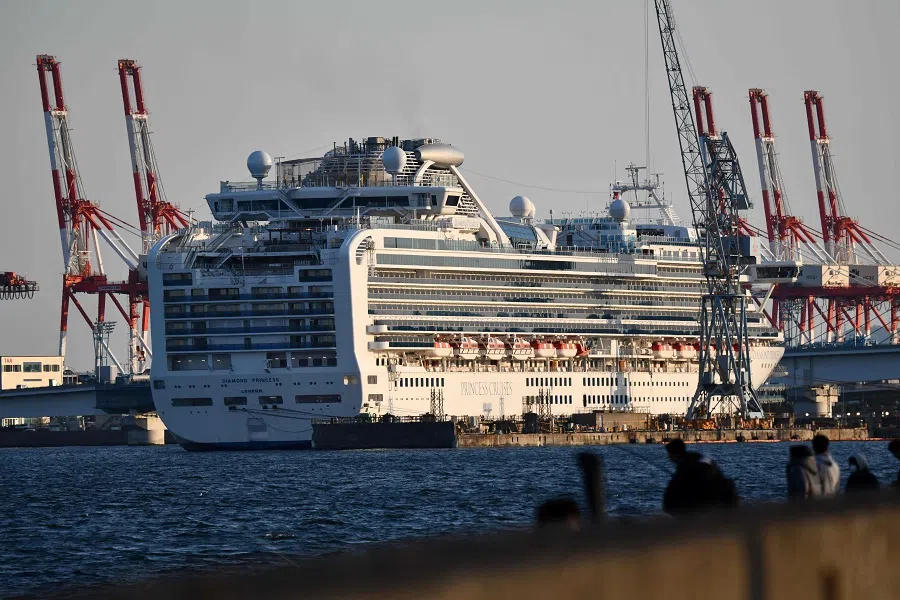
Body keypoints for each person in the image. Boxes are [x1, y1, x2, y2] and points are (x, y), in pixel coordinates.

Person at [663, 439, 738, 515]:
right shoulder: (698, 457)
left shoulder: (684, 467)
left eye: (669, 454)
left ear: (675, 454)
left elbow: (669, 498)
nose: (668, 457)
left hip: (707, 503)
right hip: (725, 496)